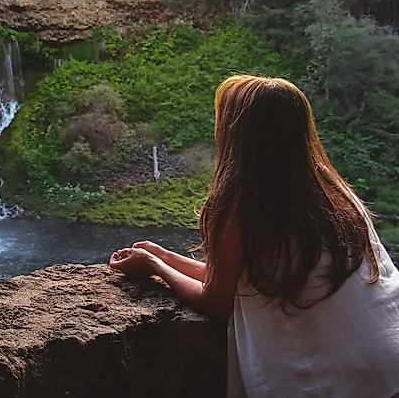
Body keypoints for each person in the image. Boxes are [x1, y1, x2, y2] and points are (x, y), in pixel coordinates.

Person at [109, 75, 399, 398]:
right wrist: (162, 255)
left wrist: (154, 267)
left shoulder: (241, 202)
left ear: (236, 134)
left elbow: (218, 299)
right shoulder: (331, 191)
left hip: (330, 382)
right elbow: (244, 281)